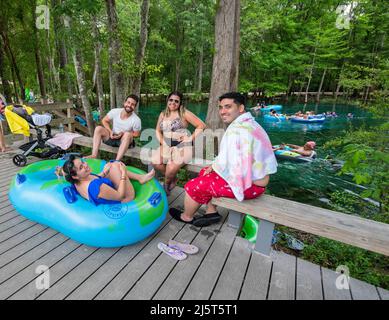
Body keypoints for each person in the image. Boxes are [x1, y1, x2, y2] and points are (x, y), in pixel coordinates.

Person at [169, 92, 278, 227]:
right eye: (221, 107)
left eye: (228, 107)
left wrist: (215, 167)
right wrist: (214, 166)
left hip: (250, 186)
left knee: (194, 185)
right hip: (253, 180)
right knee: (205, 172)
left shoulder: (239, 130)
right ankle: (211, 212)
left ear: (241, 108)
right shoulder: (248, 124)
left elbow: (234, 162)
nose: (223, 111)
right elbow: (233, 158)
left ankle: (186, 216)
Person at [152, 91, 206, 195]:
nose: (173, 103)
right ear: (167, 100)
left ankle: (166, 186)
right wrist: (163, 142)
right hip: (167, 144)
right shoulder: (163, 114)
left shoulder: (184, 113)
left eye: (176, 101)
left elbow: (201, 125)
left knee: (171, 167)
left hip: (183, 146)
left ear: (180, 103)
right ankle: (173, 179)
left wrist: (190, 138)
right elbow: (157, 130)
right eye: (171, 100)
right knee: (156, 162)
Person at [59, 155, 155, 205]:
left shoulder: (78, 179)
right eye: (81, 167)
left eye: (83, 162)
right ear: (75, 176)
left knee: (113, 165)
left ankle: (140, 178)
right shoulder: (95, 187)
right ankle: (140, 178)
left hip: (107, 191)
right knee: (117, 166)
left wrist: (104, 172)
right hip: (125, 199)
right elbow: (120, 196)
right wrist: (124, 174)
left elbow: (95, 177)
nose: (85, 165)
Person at [86, 94, 141, 161]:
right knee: (98, 128)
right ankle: (94, 155)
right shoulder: (115, 111)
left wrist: (123, 133)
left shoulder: (136, 120)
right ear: (125, 102)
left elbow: (137, 134)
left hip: (124, 141)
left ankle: (116, 161)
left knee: (127, 134)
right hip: (112, 137)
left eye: (132, 104)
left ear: (135, 107)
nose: (129, 105)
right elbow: (104, 120)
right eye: (128, 102)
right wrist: (110, 131)